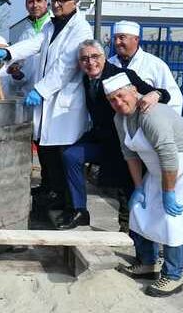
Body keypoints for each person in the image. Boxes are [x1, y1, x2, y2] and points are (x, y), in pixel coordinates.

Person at [104, 72, 183, 297]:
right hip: (162, 168)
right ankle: (148, 263)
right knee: (140, 209)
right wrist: (138, 187)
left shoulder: (150, 114)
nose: (118, 102)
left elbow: (168, 155)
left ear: (133, 91)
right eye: (112, 100)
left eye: (120, 95)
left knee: (173, 218)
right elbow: (130, 155)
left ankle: (174, 276)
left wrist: (169, 193)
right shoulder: (120, 119)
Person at [0, 0, 93, 216]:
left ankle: (75, 208)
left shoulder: (80, 28)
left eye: (61, 0)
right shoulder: (52, 25)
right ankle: (55, 197)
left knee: (64, 158)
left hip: (65, 104)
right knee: (48, 155)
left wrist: (40, 90)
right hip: (50, 102)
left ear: (75, 3)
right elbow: (34, 44)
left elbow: (66, 66)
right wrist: (8, 52)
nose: (56, 5)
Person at [56, 39, 171, 230]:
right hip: (102, 139)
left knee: (128, 186)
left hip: (126, 142)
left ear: (104, 57)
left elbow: (162, 94)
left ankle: (131, 228)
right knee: (70, 155)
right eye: (84, 59)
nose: (90, 62)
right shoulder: (85, 78)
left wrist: (156, 94)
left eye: (95, 57)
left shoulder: (123, 75)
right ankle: (79, 210)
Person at [108, 20, 183, 115]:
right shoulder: (109, 63)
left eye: (122, 38)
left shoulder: (155, 64)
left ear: (136, 39)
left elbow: (174, 98)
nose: (117, 42)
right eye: (115, 38)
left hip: (146, 125)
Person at [0, 0, 51, 97]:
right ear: (26, 5)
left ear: (46, 2)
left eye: (39, 1)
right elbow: (23, 76)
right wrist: (16, 74)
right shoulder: (24, 35)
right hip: (30, 95)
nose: (35, 5)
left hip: (51, 94)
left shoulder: (54, 26)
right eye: (31, 2)